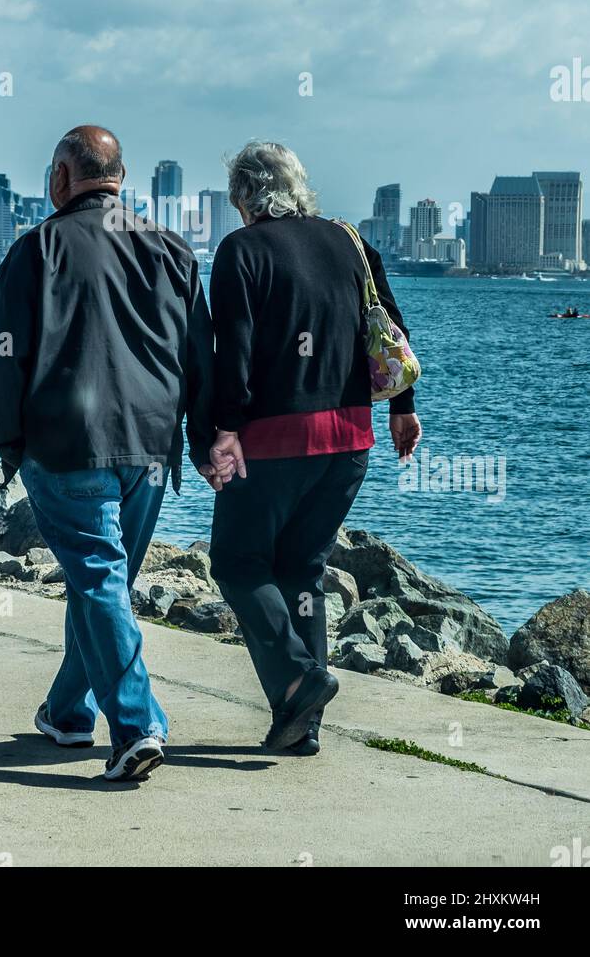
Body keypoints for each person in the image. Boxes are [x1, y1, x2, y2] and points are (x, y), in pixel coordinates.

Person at [0, 125, 214, 782]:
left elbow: (7, 359)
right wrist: (198, 441)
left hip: (67, 442)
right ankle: (67, 713)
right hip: (150, 445)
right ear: (121, 178)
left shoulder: (37, 249)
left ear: (60, 176)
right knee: (102, 582)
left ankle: (137, 727)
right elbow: (199, 358)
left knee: (99, 580)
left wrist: (7, 444)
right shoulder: (171, 249)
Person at [206, 141, 421, 755]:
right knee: (301, 569)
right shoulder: (348, 241)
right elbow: (390, 327)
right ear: (298, 188)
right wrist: (404, 411)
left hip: (274, 440)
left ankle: (300, 680)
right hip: (351, 439)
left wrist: (223, 431)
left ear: (245, 196)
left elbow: (235, 356)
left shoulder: (241, 251)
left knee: (238, 562)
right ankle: (303, 726)